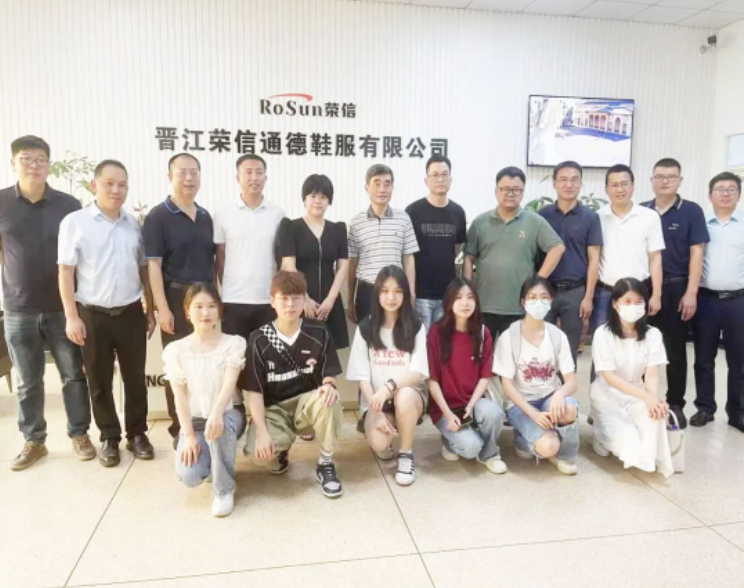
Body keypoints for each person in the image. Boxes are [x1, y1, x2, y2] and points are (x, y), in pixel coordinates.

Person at [0, 136, 91, 471]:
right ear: (13, 162)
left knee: (73, 375)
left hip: (62, 308)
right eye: (26, 158)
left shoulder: (68, 204)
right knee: (28, 380)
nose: (34, 165)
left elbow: (81, 256)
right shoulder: (1, 203)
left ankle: (80, 433)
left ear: (49, 165)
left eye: (40, 159)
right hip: (18, 309)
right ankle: (34, 440)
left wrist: (76, 309)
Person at [58, 160, 156, 467]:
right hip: (92, 314)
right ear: (94, 185)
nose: (116, 190)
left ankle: (137, 434)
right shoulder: (75, 222)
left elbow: (144, 270)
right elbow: (65, 271)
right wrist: (71, 316)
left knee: (135, 378)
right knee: (99, 381)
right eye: (109, 183)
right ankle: (109, 437)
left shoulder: (134, 225)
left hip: (130, 313)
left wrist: (150, 307)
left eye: (122, 185)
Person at [243, 271, 344, 498]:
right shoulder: (258, 339)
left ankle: (325, 463)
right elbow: (255, 393)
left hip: (306, 405)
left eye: (296, 298)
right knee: (257, 455)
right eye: (284, 298)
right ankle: (281, 449)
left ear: (304, 300)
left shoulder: (319, 331)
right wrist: (261, 431)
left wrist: (329, 386)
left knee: (329, 399)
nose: (290, 304)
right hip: (275, 410)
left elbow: (329, 373)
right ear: (272, 301)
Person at [144, 153, 214, 447]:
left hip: (206, 300)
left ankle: (204, 421)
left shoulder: (205, 215)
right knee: (178, 365)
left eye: (194, 172)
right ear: (170, 177)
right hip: (175, 298)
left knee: (206, 362)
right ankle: (180, 429)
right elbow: (153, 265)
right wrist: (162, 308)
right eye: (182, 172)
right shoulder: (158, 216)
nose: (189, 178)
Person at [163, 283, 247, 517]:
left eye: (211, 306)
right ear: (187, 311)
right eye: (198, 307)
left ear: (219, 310)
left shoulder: (234, 343)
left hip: (228, 413)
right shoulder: (175, 350)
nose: (205, 313)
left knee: (220, 426)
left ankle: (224, 490)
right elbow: (180, 397)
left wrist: (217, 413)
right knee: (190, 476)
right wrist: (189, 435)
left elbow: (229, 386)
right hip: (196, 420)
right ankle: (211, 459)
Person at [346, 265, 429, 486]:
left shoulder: (416, 326)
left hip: (409, 395)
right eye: (385, 291)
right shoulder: (366, 327)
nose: (391, 297)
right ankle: (389, 434)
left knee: (404, 396)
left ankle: (406, 454)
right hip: (377, 401)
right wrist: (375, 410)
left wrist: (389, 386)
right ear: (377, 294)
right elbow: (362, 376)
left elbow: (417, 373)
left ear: (405, 294)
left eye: (397, 291)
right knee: (379, 443)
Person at [641, 158, 709, 429]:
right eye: (659, 176)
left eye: (671, 176)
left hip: (677, 288)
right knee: (640, 347)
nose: (665, 181)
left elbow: (697, 253)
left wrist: (691, 292)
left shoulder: (691, 211)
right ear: (651, 181)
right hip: (644, 288)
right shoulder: (642, 210)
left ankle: (675, 403)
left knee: (675, 349)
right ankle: (643, 399)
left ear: (680, 181)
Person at [464, 166, 564, 341]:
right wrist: (468, 290)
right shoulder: (480, 222)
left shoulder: (535, 222)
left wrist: (538, 280)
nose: (510, 194)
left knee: (515, 353)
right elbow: (468, 257)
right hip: (484, 304)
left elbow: (557, 247)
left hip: (518, 306)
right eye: (505, 189)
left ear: (522, 192)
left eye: (516, 190)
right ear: (496, 191)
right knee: (481, 352)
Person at [492, 276, 579, 475]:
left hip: (549, 399)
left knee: (569, 408)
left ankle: (564, 454)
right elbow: (507, 385)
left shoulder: (557, 336)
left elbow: (572, 381)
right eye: (532, 297)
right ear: (523, 303)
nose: (538, 302)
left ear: (551, 300)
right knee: (549, 447)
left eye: (544, 297)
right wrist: (533, 414)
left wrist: (559, 394)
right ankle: (524, 440)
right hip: (521, 405)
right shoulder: (509, 337)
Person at [590, 278, 674, 477]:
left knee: (655, 417)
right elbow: (609, 377)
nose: (633, 306)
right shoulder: (603, 334)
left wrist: (654, 400)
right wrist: (646, 397)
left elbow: (651, 374)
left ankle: (647, 453)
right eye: (627, 301)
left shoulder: (653, 334)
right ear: (615, 304)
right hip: (607, 393)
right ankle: (601, 435)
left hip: (637, 391)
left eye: (638, 301)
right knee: (628, 444)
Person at [427, 277, 507, 473]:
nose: (465, 303)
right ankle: (449, 441)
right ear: (449, 302)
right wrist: (448, 414)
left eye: (470, 297)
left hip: (474, 401)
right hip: (445, 408)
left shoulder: (482, 333)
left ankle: (490, 454)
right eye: (458, 297)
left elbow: (485, 376)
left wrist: (471, 406)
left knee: (494, 413)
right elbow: (432, 380)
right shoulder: (436, 333)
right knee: (471, 447)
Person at [691, 172, 744, 432]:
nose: (725, 193)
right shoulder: (701, 225)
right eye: (720, 189)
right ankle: (705, 408)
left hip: (738, 300)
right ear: (710, 195)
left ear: (739, 195)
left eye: (731, 189)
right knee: (703, 357)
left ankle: (737, 411)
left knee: (739, 359)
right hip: (706, 299)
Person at [215, 154, 284, 345]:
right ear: (237, 178)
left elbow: (281, 258)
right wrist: (224, 289)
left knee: (267, 354)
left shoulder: (277, 213)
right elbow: (220, 256)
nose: (254, 177)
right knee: (235, 356)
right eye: (248, 172)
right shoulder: (223, 213)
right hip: (233, 299)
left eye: (259, 172)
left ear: (265, 178)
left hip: (268, 300)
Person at [538, 161, 602, 362]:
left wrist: (588, 297)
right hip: (546, 290)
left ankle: (567, 383)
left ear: (581, 183)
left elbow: (594, 259)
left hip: (575, 292)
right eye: (563, 180)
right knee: (542, 347)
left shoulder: (591, 217)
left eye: (574, 180)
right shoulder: (542, 216)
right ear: (554, 183)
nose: (569, 185)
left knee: (570, 349)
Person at [591, 164, 665, 335]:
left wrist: (656, 295)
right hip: (605, 294)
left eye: (625, 184)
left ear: (633, 186)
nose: (620, 189)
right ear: (606, 189)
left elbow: (656, 258)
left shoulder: (650, 217)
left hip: (637, 293)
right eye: (614, 185)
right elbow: (593, 258)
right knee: (603, 341)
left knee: (637, 342)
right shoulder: (597, 217)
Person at [278, 174, 349, 349]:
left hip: (329, 300)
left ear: (329, 201)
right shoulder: (290, 227)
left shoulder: (338, 229)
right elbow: (288, 266)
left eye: (323, 197)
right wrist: (304, 299)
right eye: (313, 196)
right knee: (299, 350)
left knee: (328, 352)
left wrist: (331, 300)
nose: (318, 201)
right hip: (299, 299)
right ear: (304, 199)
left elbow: (342, 267)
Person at [347, 164, 419, 325]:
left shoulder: (403, 219)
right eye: (377, 183)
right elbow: (352, 264)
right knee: (367, 336)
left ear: (392, 187)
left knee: (397, 336)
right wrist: (350, 300)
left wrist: (412, 293)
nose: (382, 189)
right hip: (367, 291)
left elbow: (408, 259)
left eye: (387, 184)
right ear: (367, 187)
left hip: (396, 291)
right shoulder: (356, 223)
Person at [405, 155, 466, 330]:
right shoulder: (413, 211)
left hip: (448, 293)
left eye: (444, 174)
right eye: (435, 175)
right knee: (420, 341)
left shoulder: (458, 212)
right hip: (420, 294)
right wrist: (411, 293)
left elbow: (456, 249)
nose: (440, 179)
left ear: (451, 179)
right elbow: (407, 255)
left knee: (443, 340)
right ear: (426, 180)